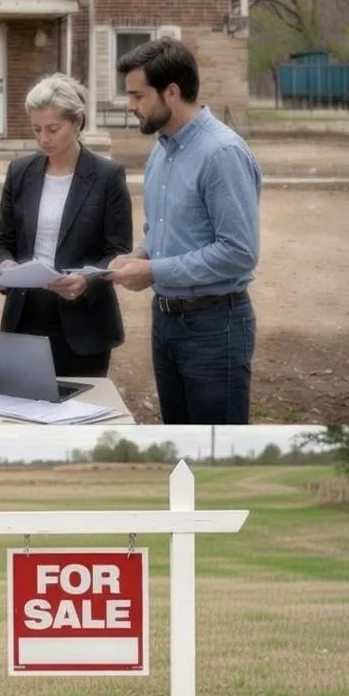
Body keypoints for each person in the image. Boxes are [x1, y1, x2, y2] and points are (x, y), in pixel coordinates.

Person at [107, 37, 261, 424]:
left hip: (215, 326)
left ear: (171, 92)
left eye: (138, 96)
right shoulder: (162, 149)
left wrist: (154, 271)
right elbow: (164, 233)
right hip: (166, 322)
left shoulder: (221, 154)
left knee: (217, 456)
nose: (130, 105)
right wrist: (140, 257)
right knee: (179, 447)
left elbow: (238, 252)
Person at [0, 73, 133, 377]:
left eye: (53, 129)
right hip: (24, 317)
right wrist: (6, 267)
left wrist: (86, 282)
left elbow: (118, 251)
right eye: (37, 129)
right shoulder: (19, 172)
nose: (43, 138)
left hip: (84, 324)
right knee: (23, 414)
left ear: (77, 122)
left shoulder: (108, 176)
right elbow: (2, 242)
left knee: (80, 416)